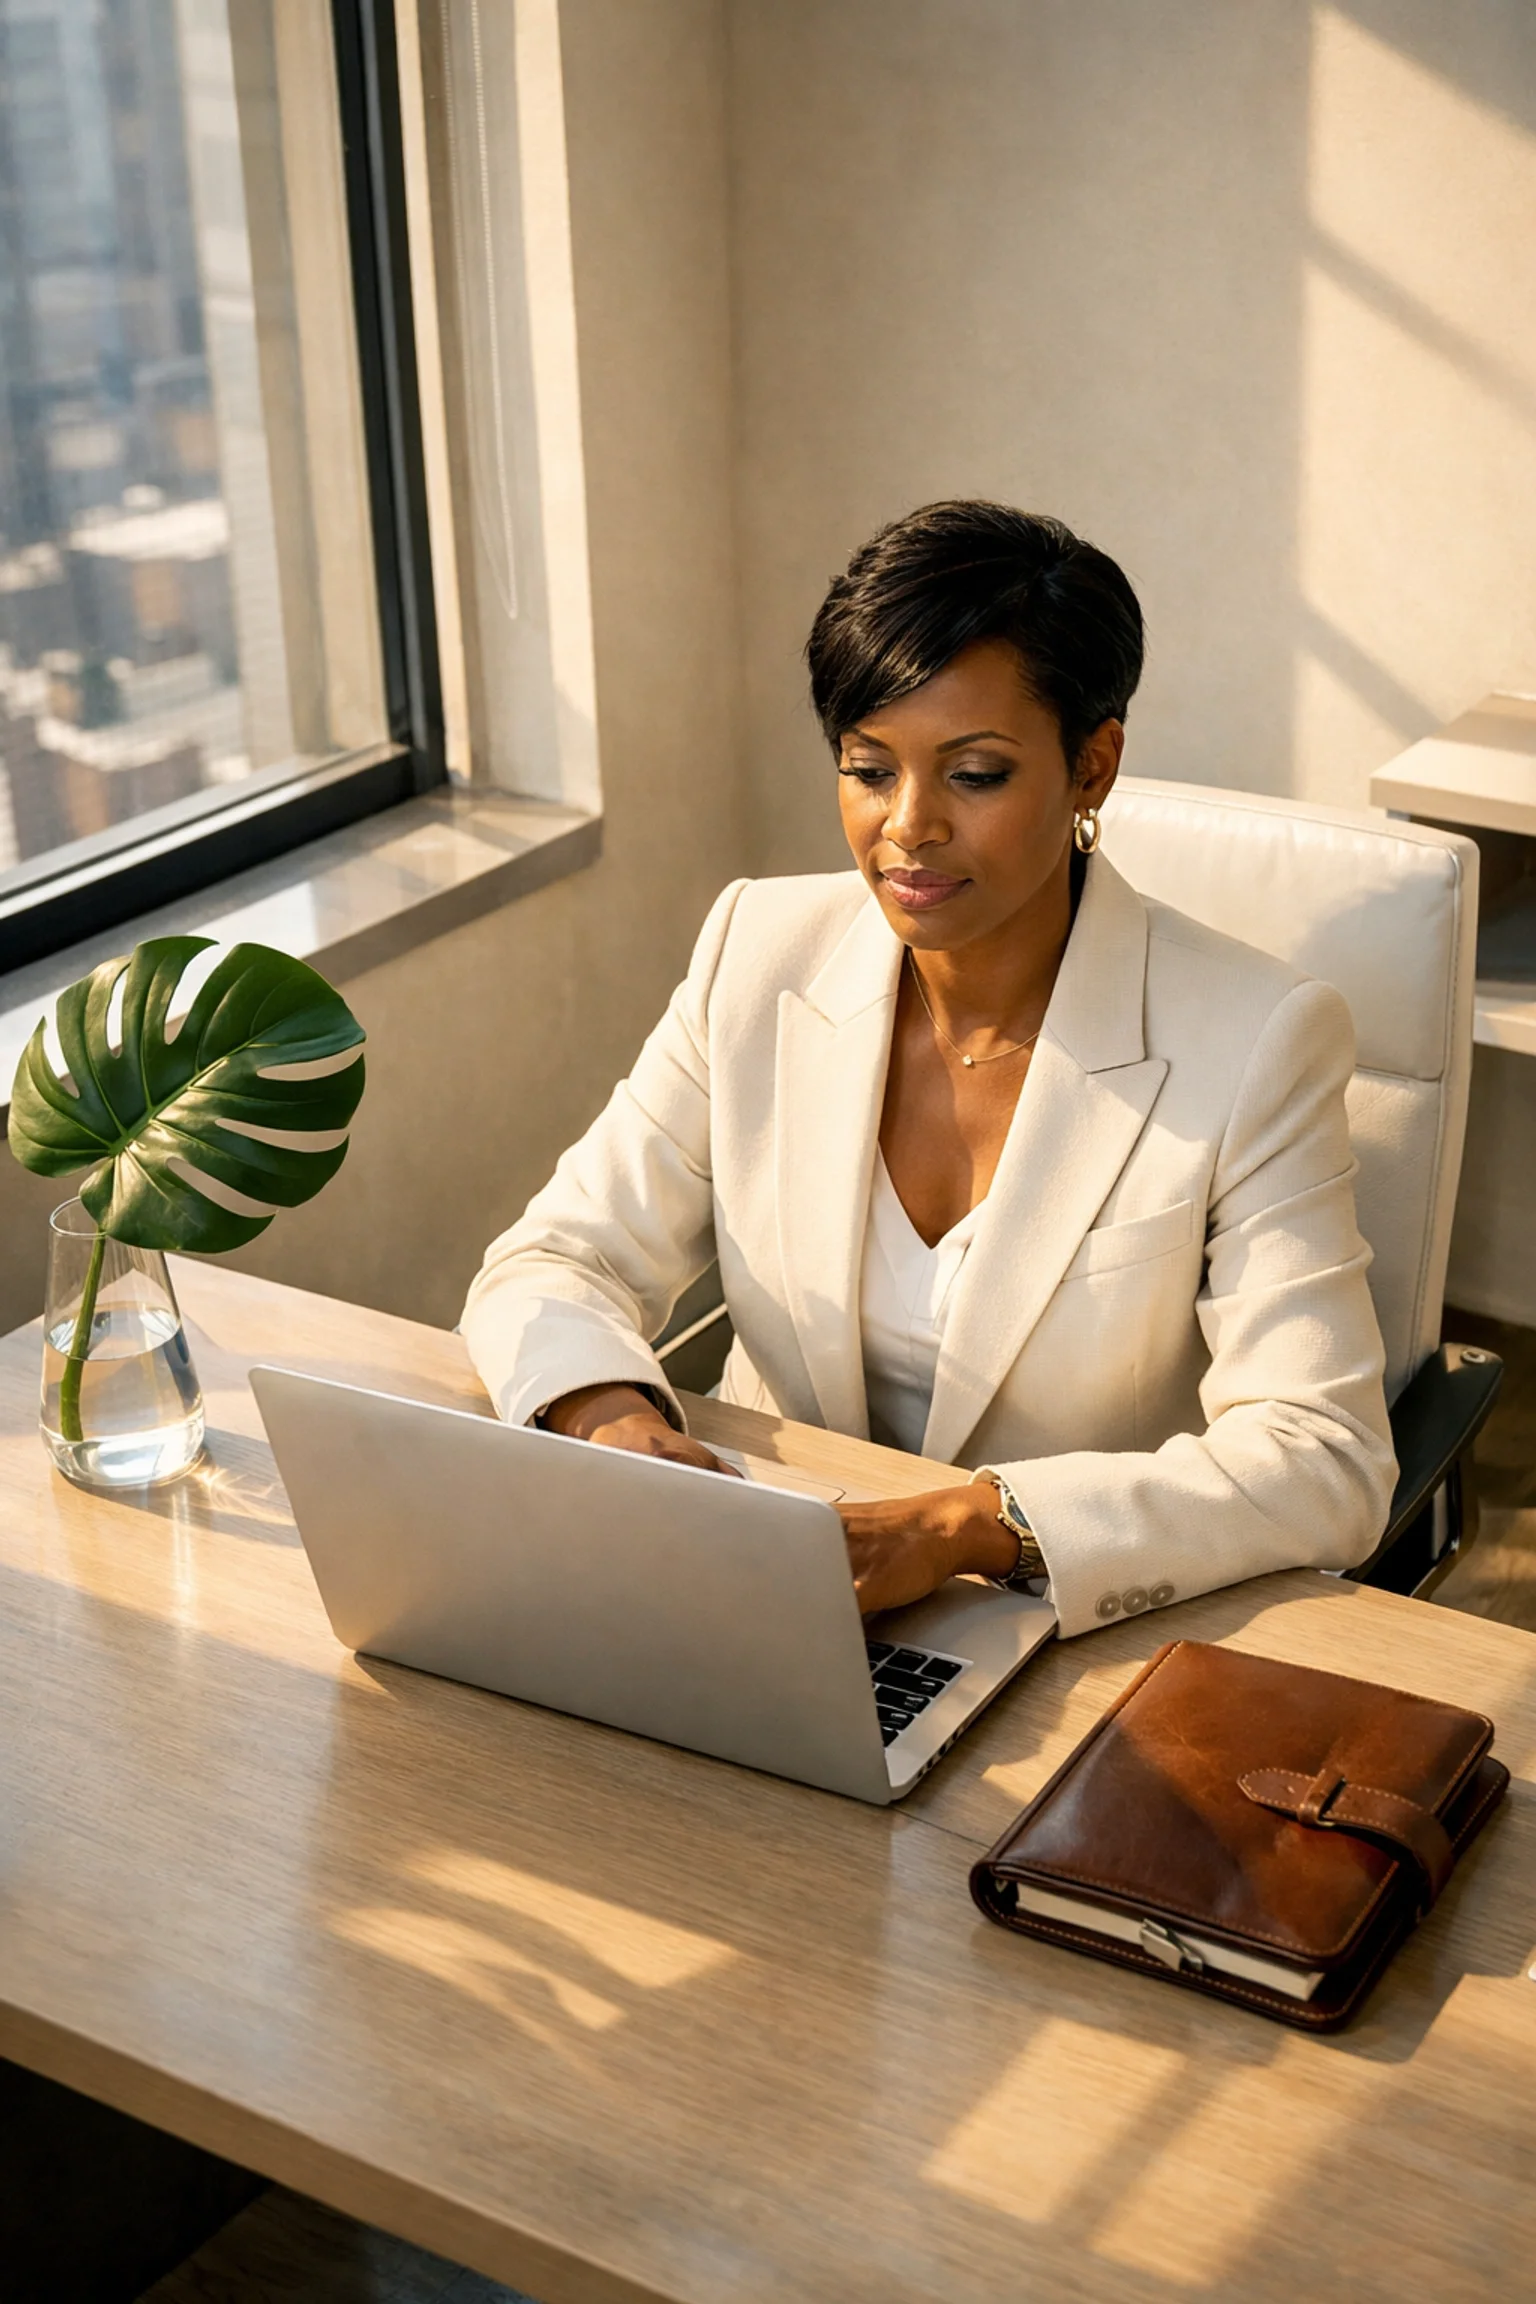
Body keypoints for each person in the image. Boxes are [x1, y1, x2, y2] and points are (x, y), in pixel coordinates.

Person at [462, 501, 1395, 1639]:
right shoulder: (757, 953)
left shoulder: (1258, 1039)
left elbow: (1323, 1454)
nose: (907, 826)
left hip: (1059, 1626)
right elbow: (557, 1258)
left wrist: (967, 1527)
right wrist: (611, 1420)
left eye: (977, 774)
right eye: (868, 768)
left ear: (1093, 767)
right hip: (755, 1583)